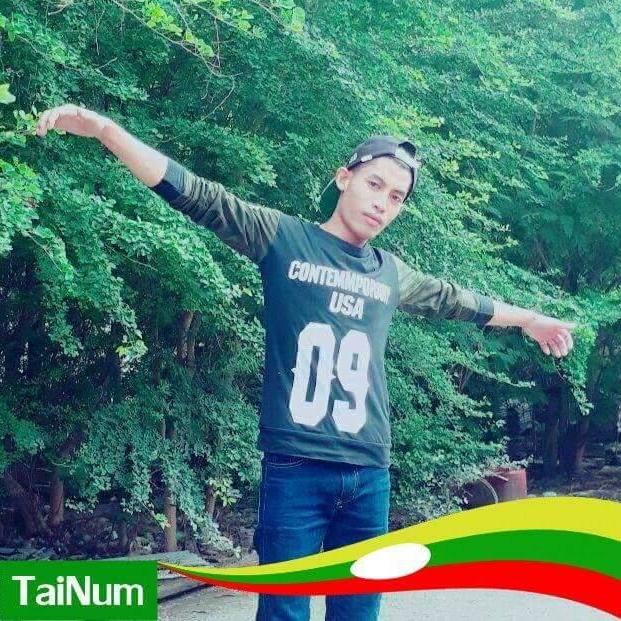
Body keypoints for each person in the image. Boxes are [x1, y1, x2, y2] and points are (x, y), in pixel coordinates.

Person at [36, 104, 576, 621]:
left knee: (359, 611)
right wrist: (106, 131)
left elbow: (459, 300)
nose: (382, 203)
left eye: (396, 197)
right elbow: (197, 194)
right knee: (284, 610)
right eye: (374, 185)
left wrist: (529, 319)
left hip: (369, 472)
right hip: (296, 467)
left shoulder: (391, 273)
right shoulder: (284, 238)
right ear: (344, 178)